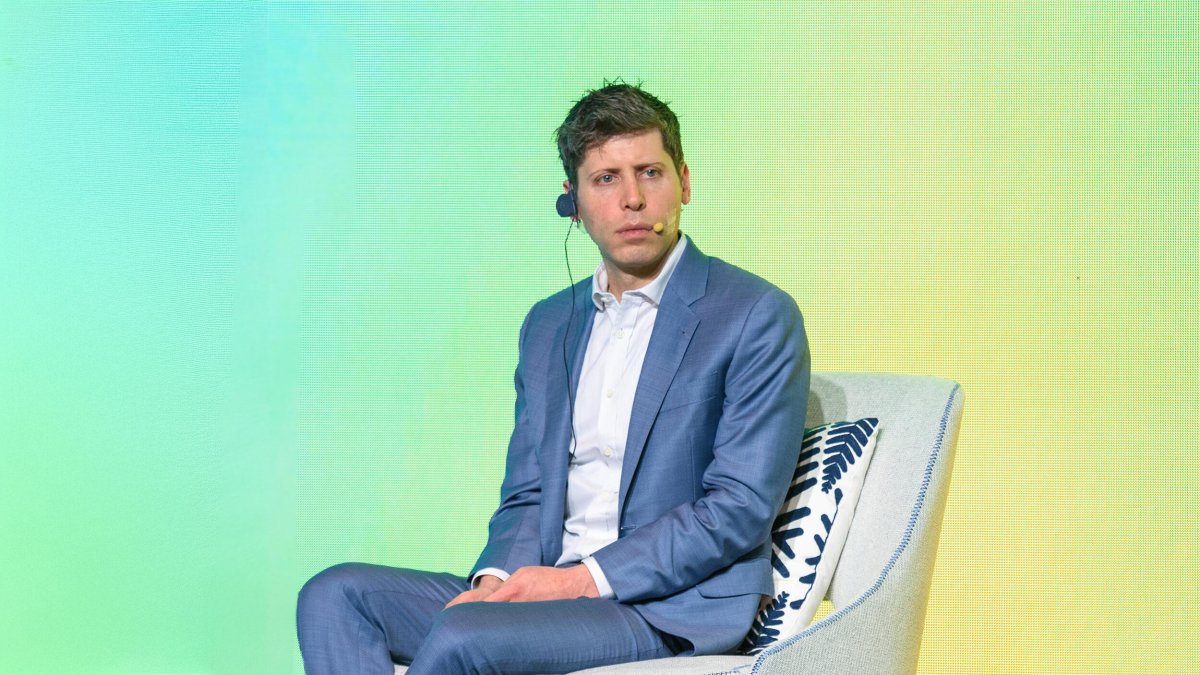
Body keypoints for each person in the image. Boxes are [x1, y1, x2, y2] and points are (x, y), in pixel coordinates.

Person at [297, 82, 810, 674]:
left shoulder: (752, 314)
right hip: (545, 589)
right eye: (606, 179)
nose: (633, 199)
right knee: (334, 596)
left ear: (685, 183)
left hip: (664, 607)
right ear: (573, 201)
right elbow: (529, 491)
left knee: (466, 636)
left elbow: (738, 507)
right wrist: (497, 581)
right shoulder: (548, 325)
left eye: (650, 172)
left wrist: (579, 580)